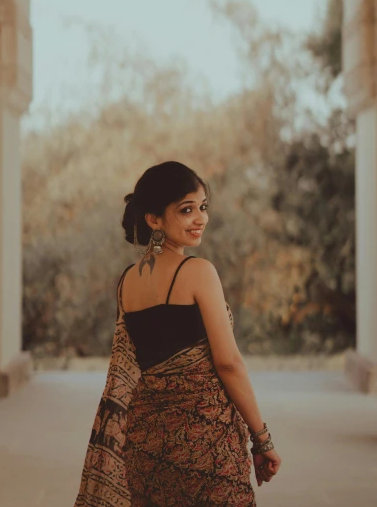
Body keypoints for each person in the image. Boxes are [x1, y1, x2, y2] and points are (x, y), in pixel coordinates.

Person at [74, 161, 281, 507]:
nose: (201, 219)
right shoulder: (199, 272)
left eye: (203, 207)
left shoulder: (127, 280)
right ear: (153, 219)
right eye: (187, 210)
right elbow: (229, 364)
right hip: (205, 449)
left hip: (145, 447)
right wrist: (262, 438)